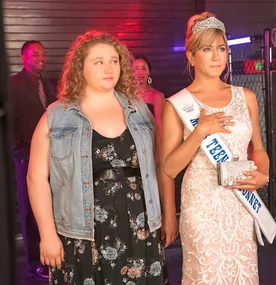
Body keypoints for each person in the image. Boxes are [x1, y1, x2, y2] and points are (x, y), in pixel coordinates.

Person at [27, 30, 178, 284]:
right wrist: (48, 234)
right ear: (80, 68)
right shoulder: (57, 115)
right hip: (82, 233)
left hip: (139, 227)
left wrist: (169, 213)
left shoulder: (138, 108)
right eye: (99, 62)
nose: (109, 68)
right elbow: (36, 178)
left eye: (114, 61)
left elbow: (161, 162)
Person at [162, 12, 270, 284]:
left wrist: (263, 175)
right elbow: (170, 168)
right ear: (191, 56)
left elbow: (258, 148)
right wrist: (200, 131)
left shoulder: (246, 97)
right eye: (207, 49)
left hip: (240, 201)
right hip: (201, 205)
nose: (216, 56)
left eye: (221, 48)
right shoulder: (177, 104)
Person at [9, 40, 56, 280]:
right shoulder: (12, 84)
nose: (41, 57)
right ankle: (34, 263)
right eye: (35, 54)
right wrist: (18, 151)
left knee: (47, 206)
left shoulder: (47, 85)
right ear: (23, 57)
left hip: (51, 157)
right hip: (27, 155)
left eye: (43, 54)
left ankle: (51, 256)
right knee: (28, 210)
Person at [133, 55, 165, 133]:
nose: (140, 72)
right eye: (136, 69)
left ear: (149, 71)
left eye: (144, 68)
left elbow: (160, 125)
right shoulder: (124, 95)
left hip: (150, 138)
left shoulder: (157, 96)